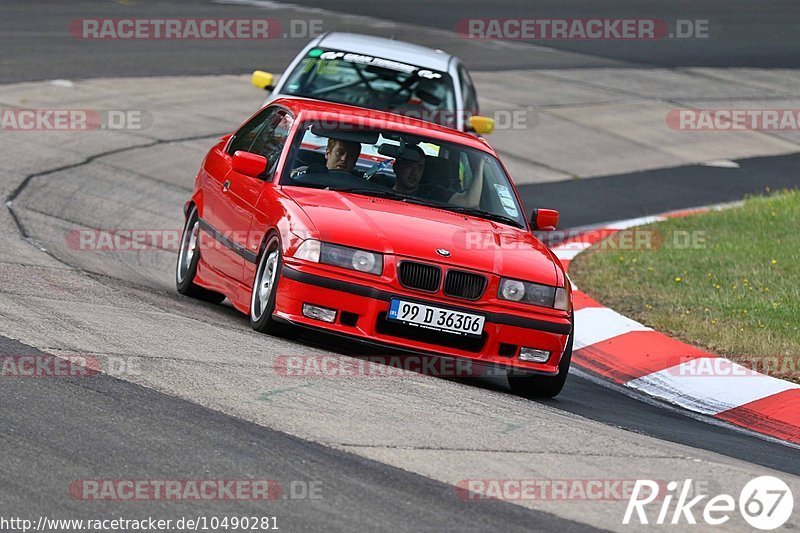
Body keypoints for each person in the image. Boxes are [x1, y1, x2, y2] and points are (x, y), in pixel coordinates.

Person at [392, 145, 484, 208]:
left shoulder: (432, 193)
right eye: (409, 165)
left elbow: (470, 203)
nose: (415, 172)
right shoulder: (379, 187)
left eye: (420, 167)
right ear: (396, 167)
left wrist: (479, 168)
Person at [292, 138, 361, 176]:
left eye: (351, 156)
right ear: (328, 153)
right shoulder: (307, 173)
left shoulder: (361, 186)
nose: (344, 159)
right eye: (339, 153)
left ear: (355, 161)